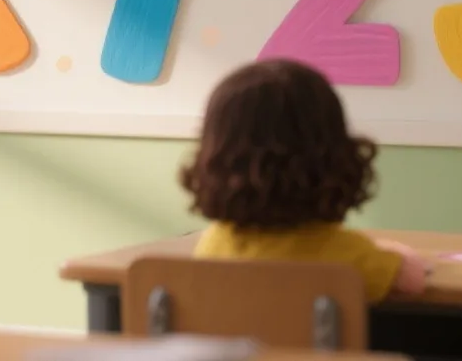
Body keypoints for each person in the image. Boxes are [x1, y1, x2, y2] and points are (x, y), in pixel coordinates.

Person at [181, 58, 427, 302]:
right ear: (334, 157)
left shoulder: (212, 246)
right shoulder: (344, 254)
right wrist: (396, 252)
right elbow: (413, 280)